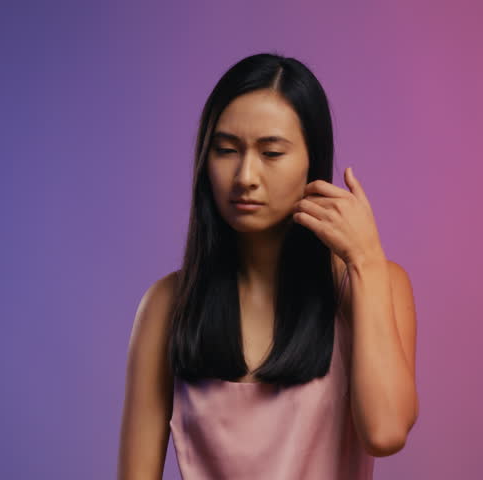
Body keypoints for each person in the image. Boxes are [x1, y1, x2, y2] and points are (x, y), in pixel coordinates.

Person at [117, 52, 418, 479]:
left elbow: (385, 434)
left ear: (312, 162)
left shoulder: (374, 283)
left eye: (271, 152)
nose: (245, 175)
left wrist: (365, 261)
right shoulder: (167, 305)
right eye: (225, 150)